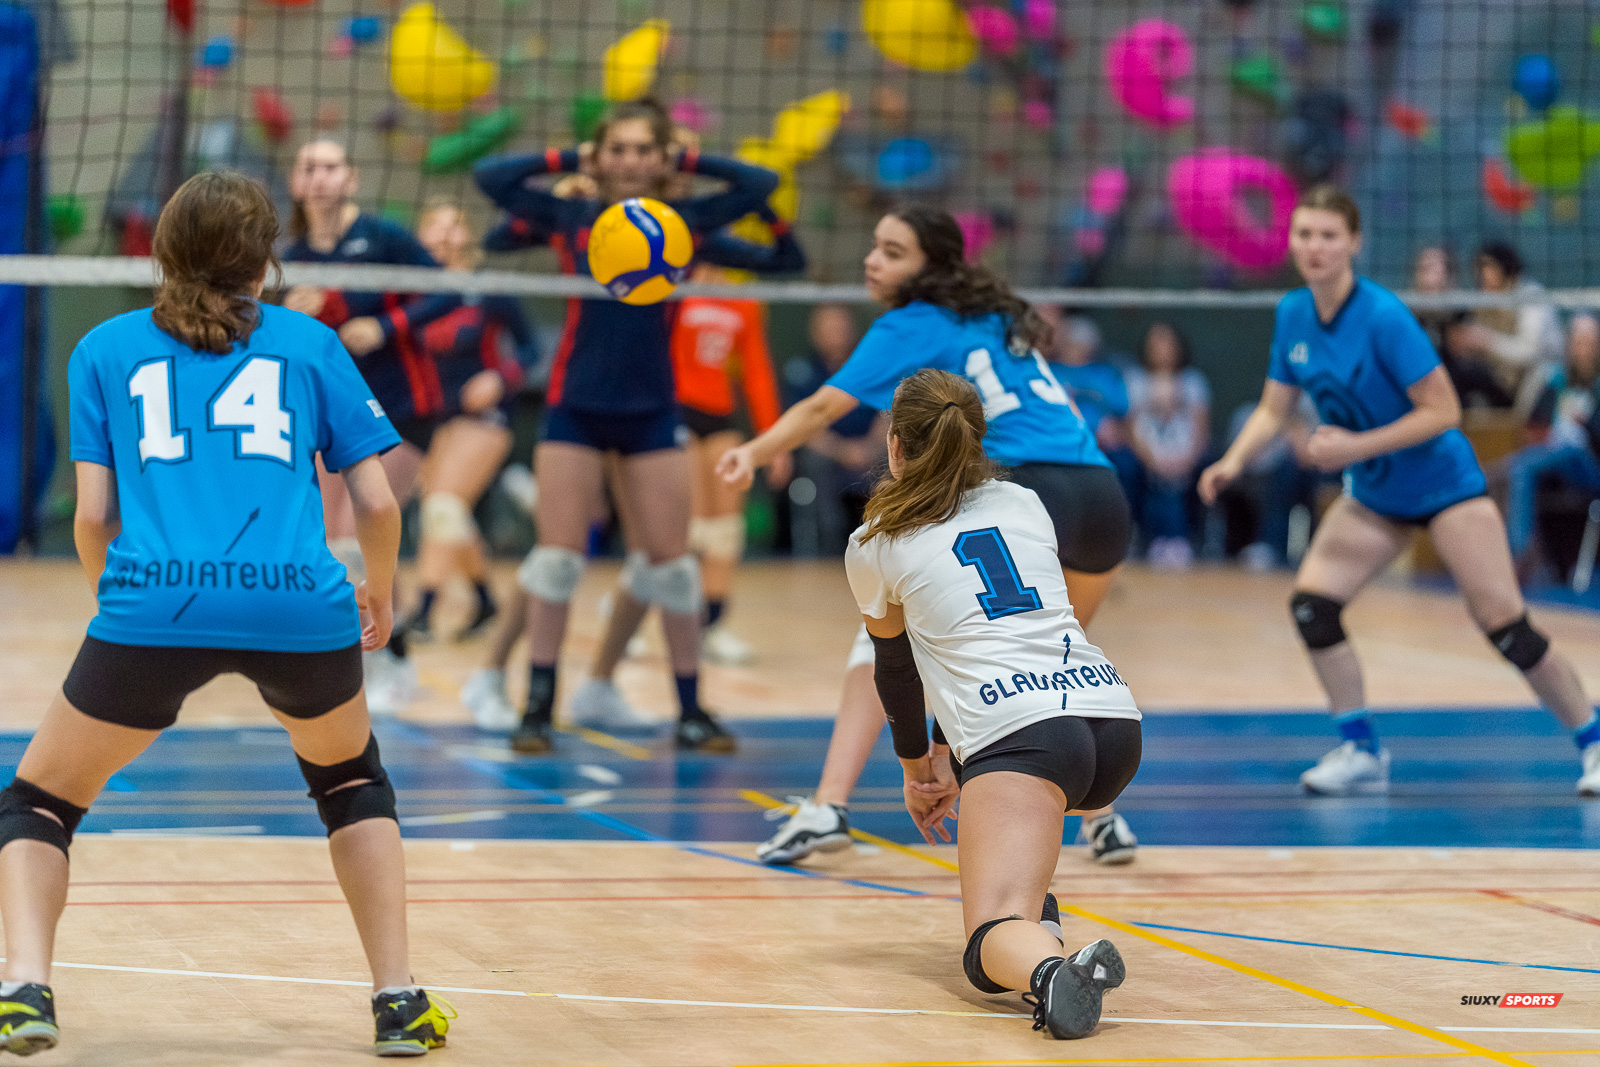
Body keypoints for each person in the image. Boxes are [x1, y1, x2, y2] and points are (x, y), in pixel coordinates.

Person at [0, 171, 453, 1056]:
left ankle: (23, 990)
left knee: (39, 802)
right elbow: (381, 502)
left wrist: (121, 601)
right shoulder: (312, 343)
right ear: (267, 258)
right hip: (301, 606)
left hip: (156, 601)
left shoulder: (102, 347)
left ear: (160, 250)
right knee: (353, 784)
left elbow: (92, 517)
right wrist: (384, 594)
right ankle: (398, 1001)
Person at [718, 206, 1139, 866]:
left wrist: (756, 448)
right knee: (1045, 648)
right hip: (1101, 494)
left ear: (929, 267)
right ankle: (1101, 815)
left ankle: (830, 804)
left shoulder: (911, 322)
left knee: (882, 631)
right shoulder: (999, 312)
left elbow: (827, 406)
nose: (872, 261)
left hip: (1026, 485)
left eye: (892, 251)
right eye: (875, 246)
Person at [1199, 185, 1600, 797]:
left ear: (1354, 243)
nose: (1315, 247)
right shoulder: (1293, 315)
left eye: (1329, 235)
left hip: (1444, 488)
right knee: (1313, 605)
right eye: (1305, 234)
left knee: (1505, 626)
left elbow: (1442, 412)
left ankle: (1592, 742)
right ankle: (1361, 750)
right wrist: (1231, 460)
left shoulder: (1385, 316)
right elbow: (1275, 407)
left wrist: (1353, 450)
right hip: (1378, 495)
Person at [473, 98, 778, 754]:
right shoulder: (573, 214)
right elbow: (492, 180)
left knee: (673, 568)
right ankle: (537, 707)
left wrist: (686, 160)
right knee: (556, 562)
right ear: (600, 156)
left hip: (650, 411)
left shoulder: (686, 220)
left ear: (660, 157)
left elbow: (760, 187)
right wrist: (566, 161)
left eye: (645, 149)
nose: (632, 160)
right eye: (619, 148)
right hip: (576, 406)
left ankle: (692, 710)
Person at [845, 368, 1138, 1040]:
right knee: (1016, 898)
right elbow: (984, 639)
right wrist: (949, 756)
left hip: (1028, 738)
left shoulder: (875, 543)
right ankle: (1048, 942)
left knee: (987, 945)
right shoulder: (1022, 500)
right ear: (977, 441)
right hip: (1112, 720)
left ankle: (1055, 972)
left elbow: (898, 669)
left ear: (895, 446)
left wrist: (920, 767)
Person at [283, 137, 463, 715]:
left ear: (352, 178)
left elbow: (447, 288)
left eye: (332, 166)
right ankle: (382, 652)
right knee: (337, 544)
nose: (320, 177)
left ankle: (387, 660)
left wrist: (385, 327)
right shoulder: (292, 254)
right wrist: (291, 313)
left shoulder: (383, 236)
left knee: (359, 534)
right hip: (329, 411)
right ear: (296, 181)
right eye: (310, 166)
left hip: (401, 405)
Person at [403, 198, 538, 643]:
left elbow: (532, 350)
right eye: (434, 226)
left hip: (485, 416)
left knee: (442, 508)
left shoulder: (488, 287)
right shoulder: (407, 291)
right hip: (430, 417)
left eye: (453, 226)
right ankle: (483, 599)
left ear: (468, 236)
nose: (443, 235)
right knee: (449, 514)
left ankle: (423, 611)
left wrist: (499, 378)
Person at [1505, 312, 1600, 569]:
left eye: (1590, 343)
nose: (1584, 350)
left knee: (1536, 461)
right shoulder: (1555, 380)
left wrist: (1587, 424)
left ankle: (1520, 553)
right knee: (1514, 468)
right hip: (1553, 460)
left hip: (1590, 466)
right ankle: (1517, 551)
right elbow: (1533, 426)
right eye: (1579, 342)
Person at [1124, 323, 1210, 570]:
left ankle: (1178, 540)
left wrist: (1186, 460)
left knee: (1176, 481)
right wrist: (1151, 459)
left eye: (1167, 343)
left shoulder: (1193, 382)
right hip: (1148, 453)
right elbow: (1129, 428)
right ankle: (1156, 539)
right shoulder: (1136, 380)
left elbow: (1201, 429)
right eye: (1156, 344)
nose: (1162, 350)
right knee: (1146, 477)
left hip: (1183, 453)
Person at [1447, 239, 1562, 415]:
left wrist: (1486, 341)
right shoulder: (1483, 300)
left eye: (1488, 266)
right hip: (1498, 386)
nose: (1483, 273)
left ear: (1505, 267)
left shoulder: (1531, 295)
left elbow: (1529, 352)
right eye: (1479, 267)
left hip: (1536, 387)